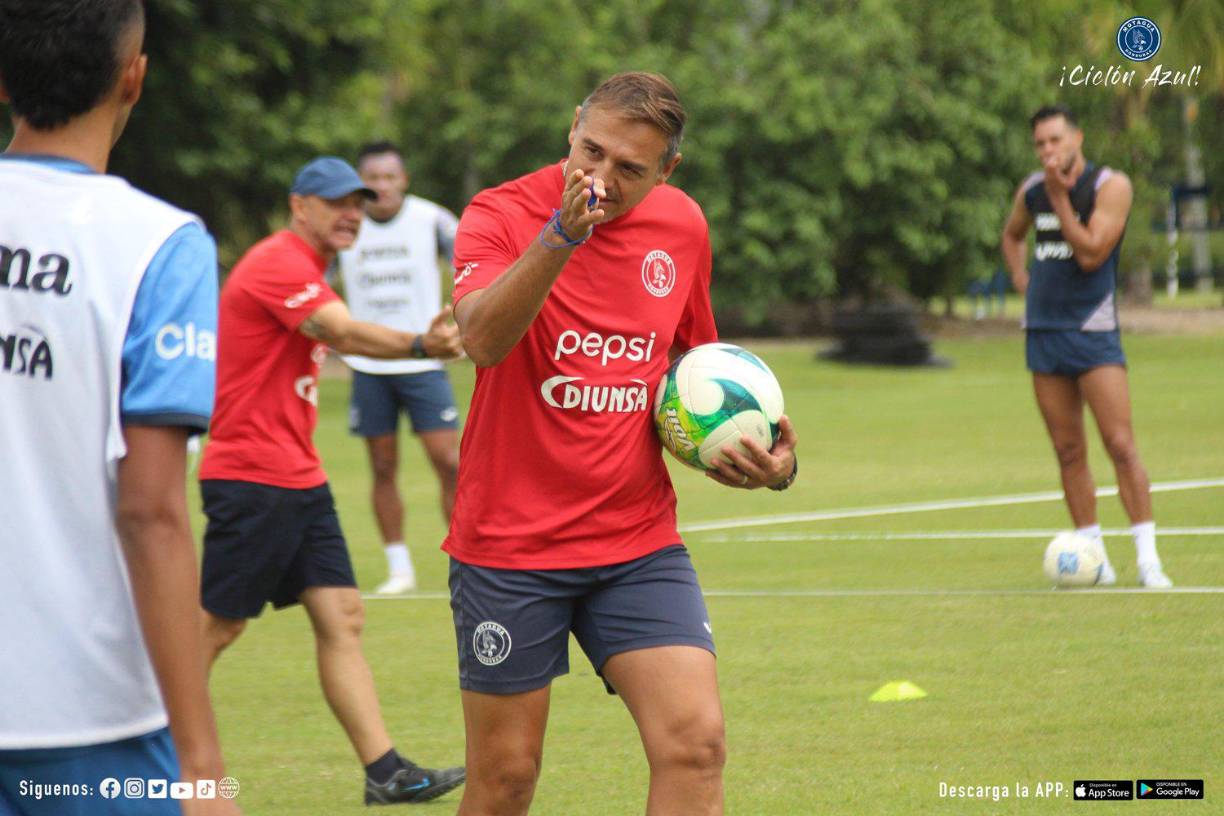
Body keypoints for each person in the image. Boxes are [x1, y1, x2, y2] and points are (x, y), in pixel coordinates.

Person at [445, 72, 799, 815]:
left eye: (629, 170)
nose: (600, 179)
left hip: (636, 543)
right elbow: (480, 338)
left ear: (667, 171)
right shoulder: (501, 213)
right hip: (512, 547)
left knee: (694, 745)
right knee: (506, 780)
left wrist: (762, 458)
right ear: (573, 125)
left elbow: (691, 373)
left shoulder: (682, 227)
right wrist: (560, 237)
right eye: (590, 152)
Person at [0, 1, 239, 814]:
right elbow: (151, 515)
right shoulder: (158, 243)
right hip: (89, 714)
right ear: (133, 77)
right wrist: (202, 765)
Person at [196, 156, 467, 805]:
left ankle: (386, 773)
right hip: (253, 475)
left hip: (297, 475)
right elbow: (341, 333)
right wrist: (422, 346)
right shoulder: (278, 262)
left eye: (357, 202)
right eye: (336, 202)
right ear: (300, 206)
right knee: (215, 628)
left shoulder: (308, 266)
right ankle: (131, 741)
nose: (350, 213)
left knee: (342, 616)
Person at [1001, 104, 1172, 588]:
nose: (1048, 151)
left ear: (1077, 138)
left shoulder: (1109, 186)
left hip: (1093, 333)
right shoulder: (1032, 191)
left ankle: (1148, 560)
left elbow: (1094, 253)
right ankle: (1093, 557)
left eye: (1055, 140)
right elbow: (1012, 236)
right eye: (1040, 144)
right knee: (1068, 450)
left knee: (1120, 445)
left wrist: (1059, 200)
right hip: (1044, 333)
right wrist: (1020, 275)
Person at [336, 141, 463, 595]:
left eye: (390, 177)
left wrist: (465, 320)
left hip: (423, 362)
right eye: (372, 179)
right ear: (360, 183)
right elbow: (313, 275)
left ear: (403, 180)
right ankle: (399, 567)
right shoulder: (345, 225)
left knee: (449, 462)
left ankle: (463, 562)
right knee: (382, 466)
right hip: (369, 364)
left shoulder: (432, 219)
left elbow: (472, 262)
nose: (382, 186)